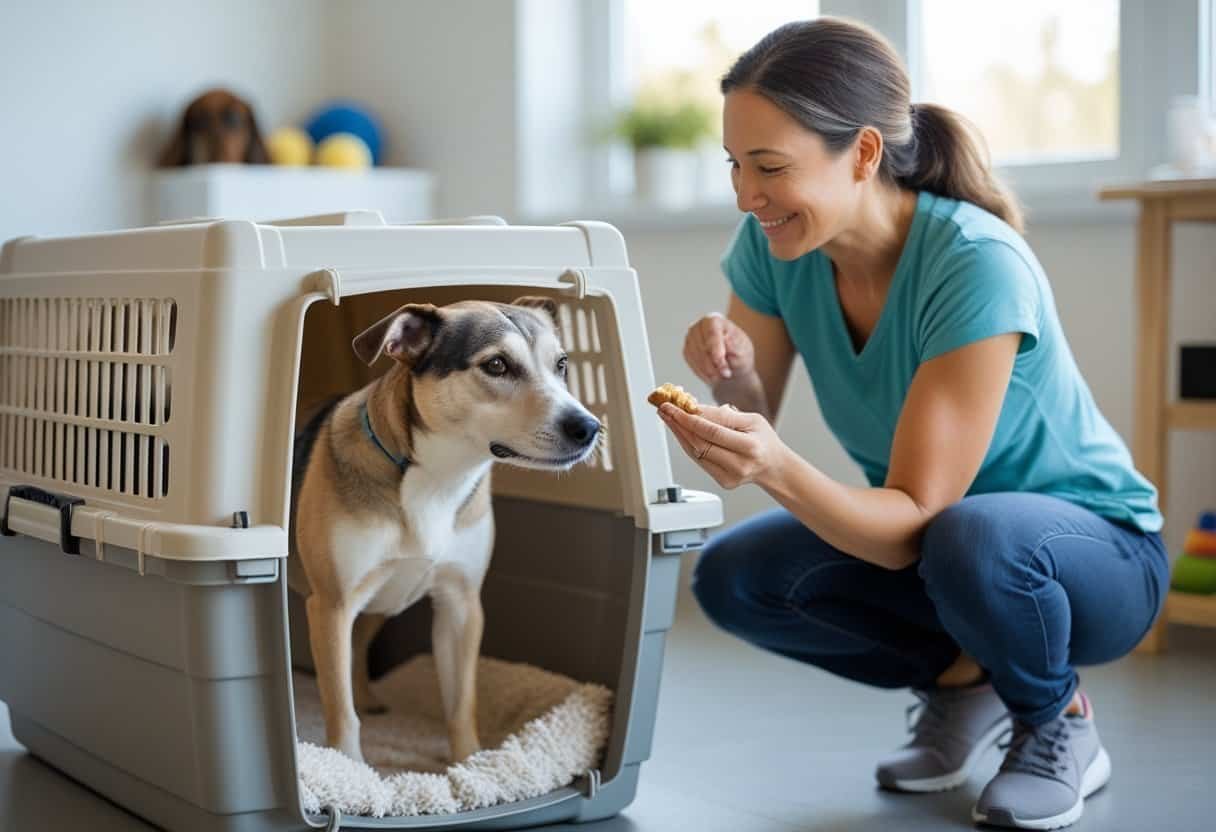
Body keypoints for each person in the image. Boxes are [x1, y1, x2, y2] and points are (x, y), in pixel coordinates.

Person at [655, 17, 1168, 831]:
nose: (747, 194)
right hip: (949, 554)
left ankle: (1054, 721)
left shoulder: (975, 264)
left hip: (1097, 562)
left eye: (770, 166)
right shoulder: (773, 245)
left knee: (972, 535)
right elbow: (753, 431)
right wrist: (736, 380)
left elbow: (912, 525)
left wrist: (775, 466)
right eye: (735, 165)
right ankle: (966, 688)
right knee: (733, 578)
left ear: (861, 154)